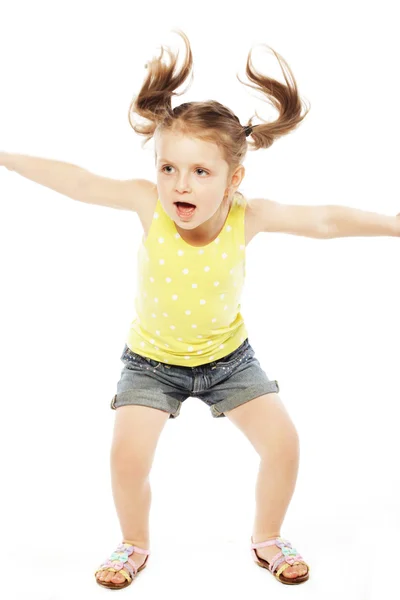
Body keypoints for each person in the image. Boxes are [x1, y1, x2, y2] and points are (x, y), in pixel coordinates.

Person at [0, 29, 317, 589]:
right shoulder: (149, 206)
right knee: (126, 455)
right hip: (150, 362)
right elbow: (76, 181)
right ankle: (133, 543)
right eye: (168, 168)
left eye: (200, 172)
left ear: (232, 179)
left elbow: (326, 222)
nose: (179, 184)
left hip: (228, 359)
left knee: (284, 443)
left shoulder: (250, 216)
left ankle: (267, 536)